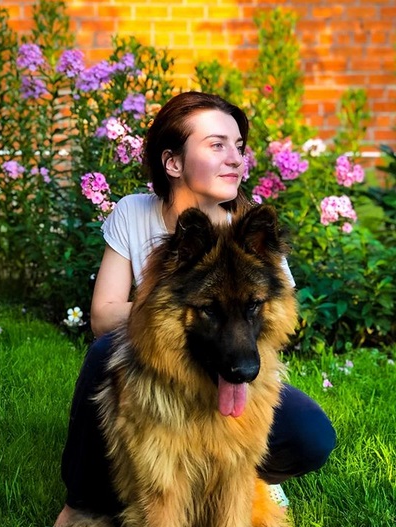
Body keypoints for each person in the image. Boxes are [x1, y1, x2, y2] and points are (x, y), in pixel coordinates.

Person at [54, 91, 336, 526]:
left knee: (312, 436)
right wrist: (164, 308)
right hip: (161, 366)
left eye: (239, 147)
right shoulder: (135, 212)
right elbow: (104, 315)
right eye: (217, 145)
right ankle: (81, 501)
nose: (236, 159)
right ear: (173, 162)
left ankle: (243, 473)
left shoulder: (251, 230)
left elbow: (277, 309)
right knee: (104, 349)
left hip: (228, 373)